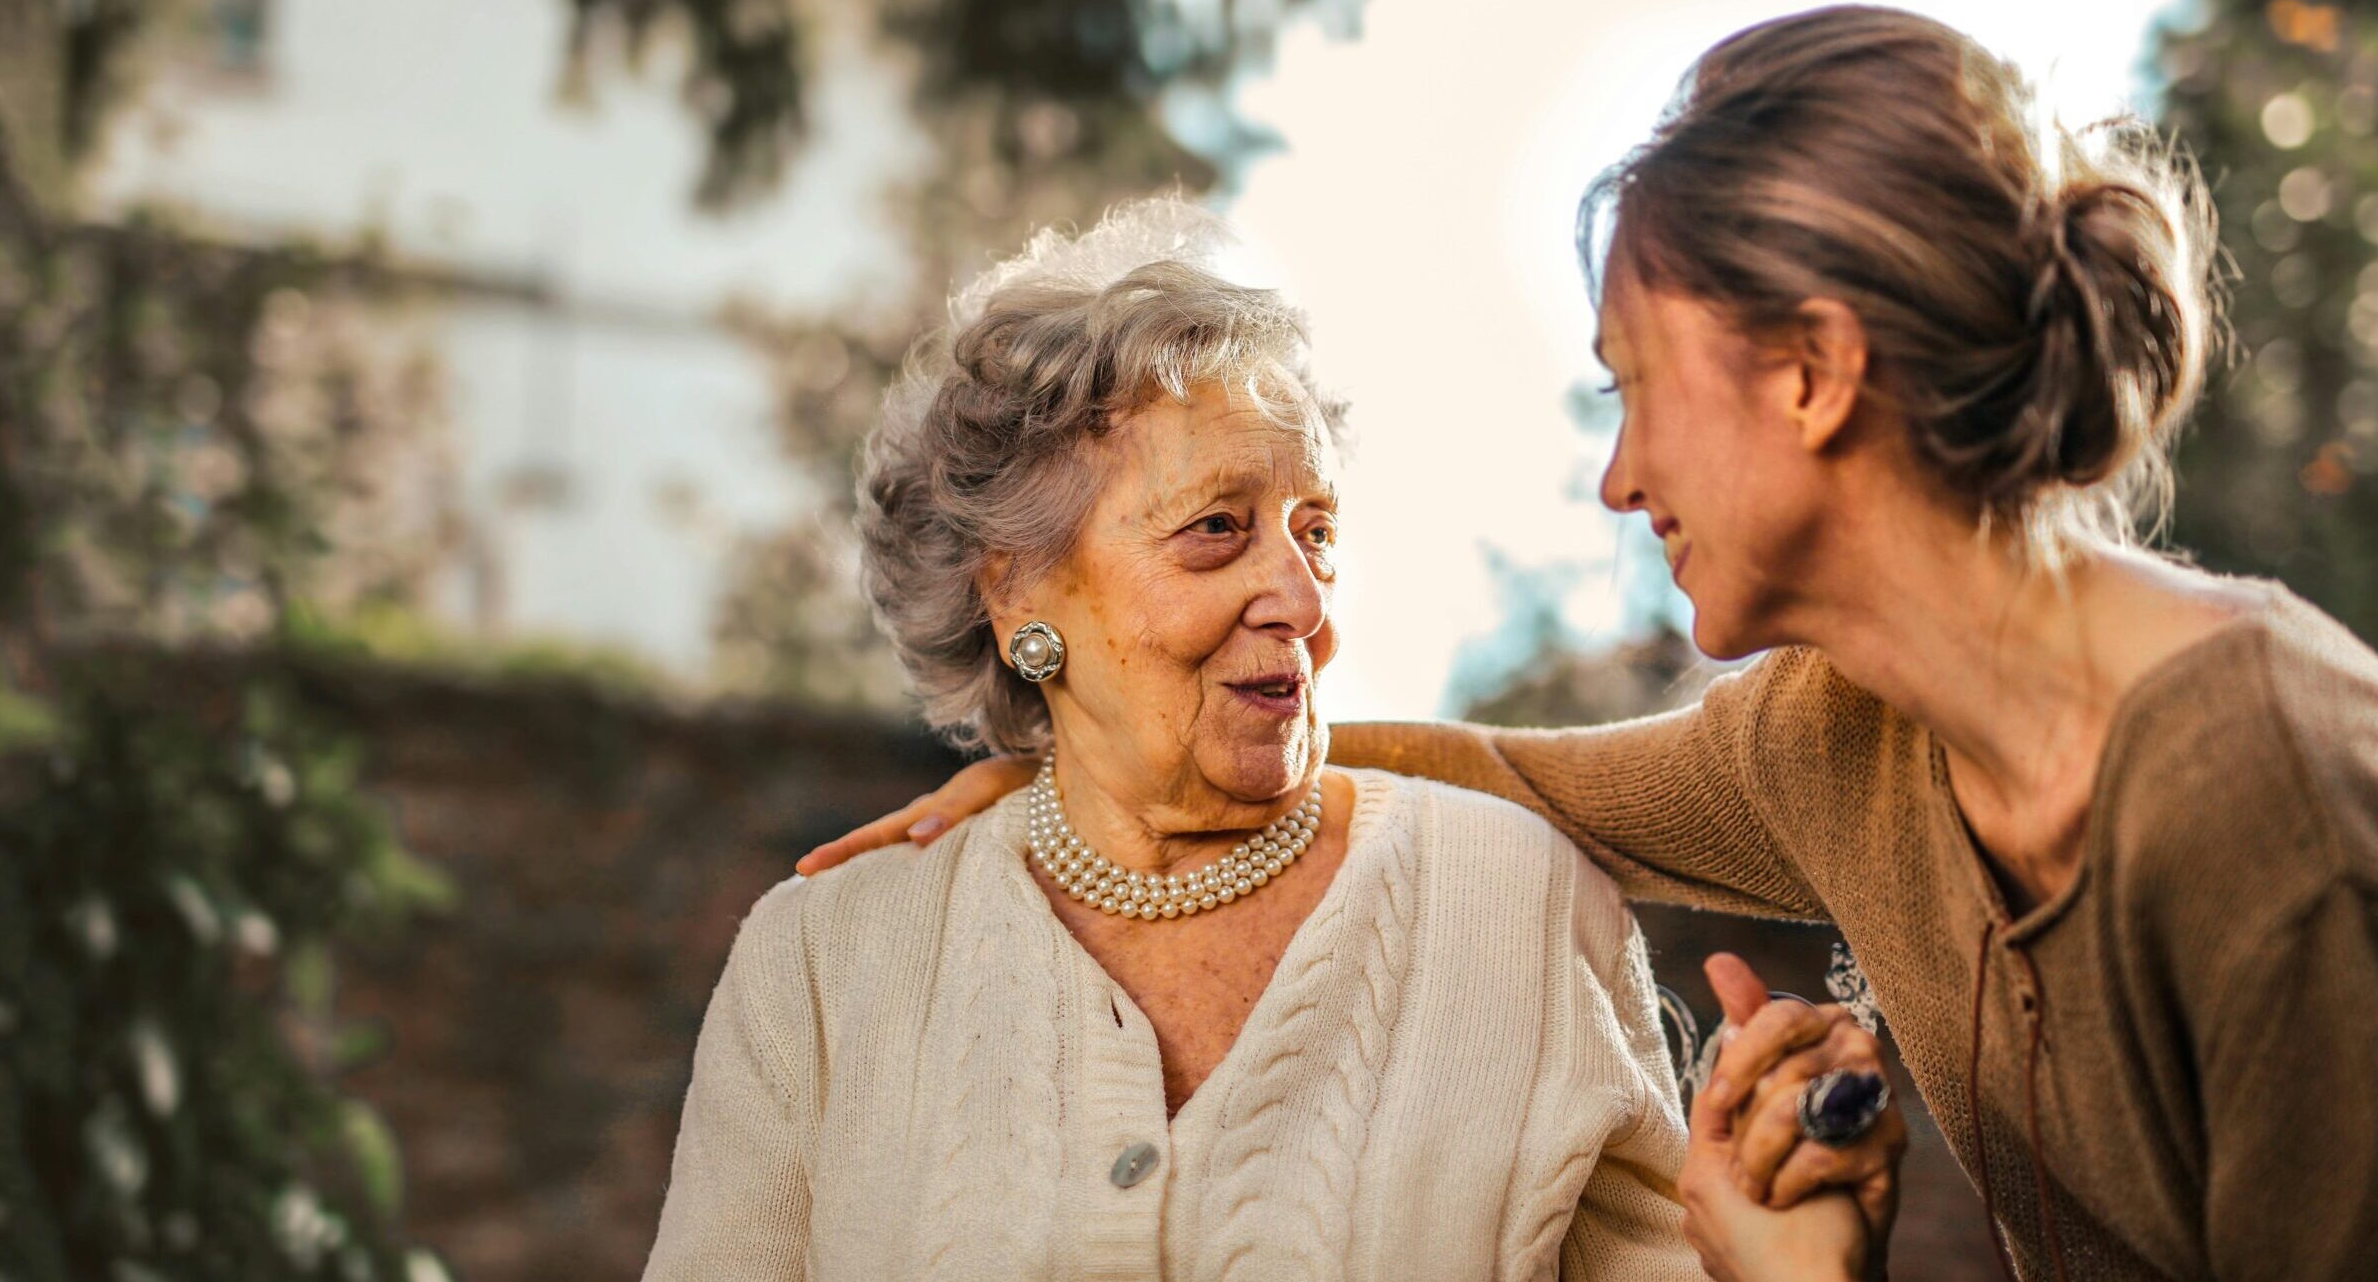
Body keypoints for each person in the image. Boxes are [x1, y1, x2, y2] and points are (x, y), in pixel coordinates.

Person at [798, 6, 2378, 1282]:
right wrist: (1086, 772)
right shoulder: (1843, 736)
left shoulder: (2275, 814)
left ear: (1813, 371)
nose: (1619, 477)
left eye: (1635, 388)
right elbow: (1499, 773)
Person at [641, 201, 1781, 1282]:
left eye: (1316, 530)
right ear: (1018, 592)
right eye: (1217, 529)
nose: (1298, 594)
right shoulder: (824, 961)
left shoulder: (1520, 903)